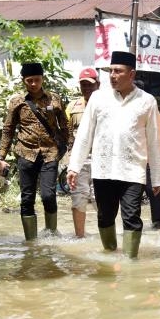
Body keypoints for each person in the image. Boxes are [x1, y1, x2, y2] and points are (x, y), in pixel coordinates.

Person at [66, 51, 160, 258]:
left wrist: (157, 177)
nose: (112, 75)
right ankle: (109, 257)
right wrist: (74, 166)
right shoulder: (98, 98)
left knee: (132, 218)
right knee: (105, 217)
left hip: (133, 171)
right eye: (111, 71)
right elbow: (84, 135)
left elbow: (154, 141)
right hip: (103, 170)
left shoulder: (147, 101)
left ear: (132, 74)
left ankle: (130, 261)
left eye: (118, 71)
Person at [0, 62, 68, 240]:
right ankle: (31, 241)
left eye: (37, 80)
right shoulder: (17, 102)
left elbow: (65, 126)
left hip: (49, 153)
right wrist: (1, 157)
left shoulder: (55, 99)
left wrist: (69, 148)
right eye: (30, 80)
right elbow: (8, 129)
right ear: (24, 81)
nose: (34, 84)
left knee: (48, 195)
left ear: (42, 78)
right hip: (25, 153)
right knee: (27, 198)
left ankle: (51, 233)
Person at [65, 67, 100, 238]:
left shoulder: (106, 104)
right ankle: (80, 237)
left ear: (98, 85)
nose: (86, 88)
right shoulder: (72, 107)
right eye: (83, 85)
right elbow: (67, 133)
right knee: (78, 198)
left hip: (101, 160)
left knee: (99, 200)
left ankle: (107, 236)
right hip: (80, 160)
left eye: (90, 85)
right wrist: (70, 159)